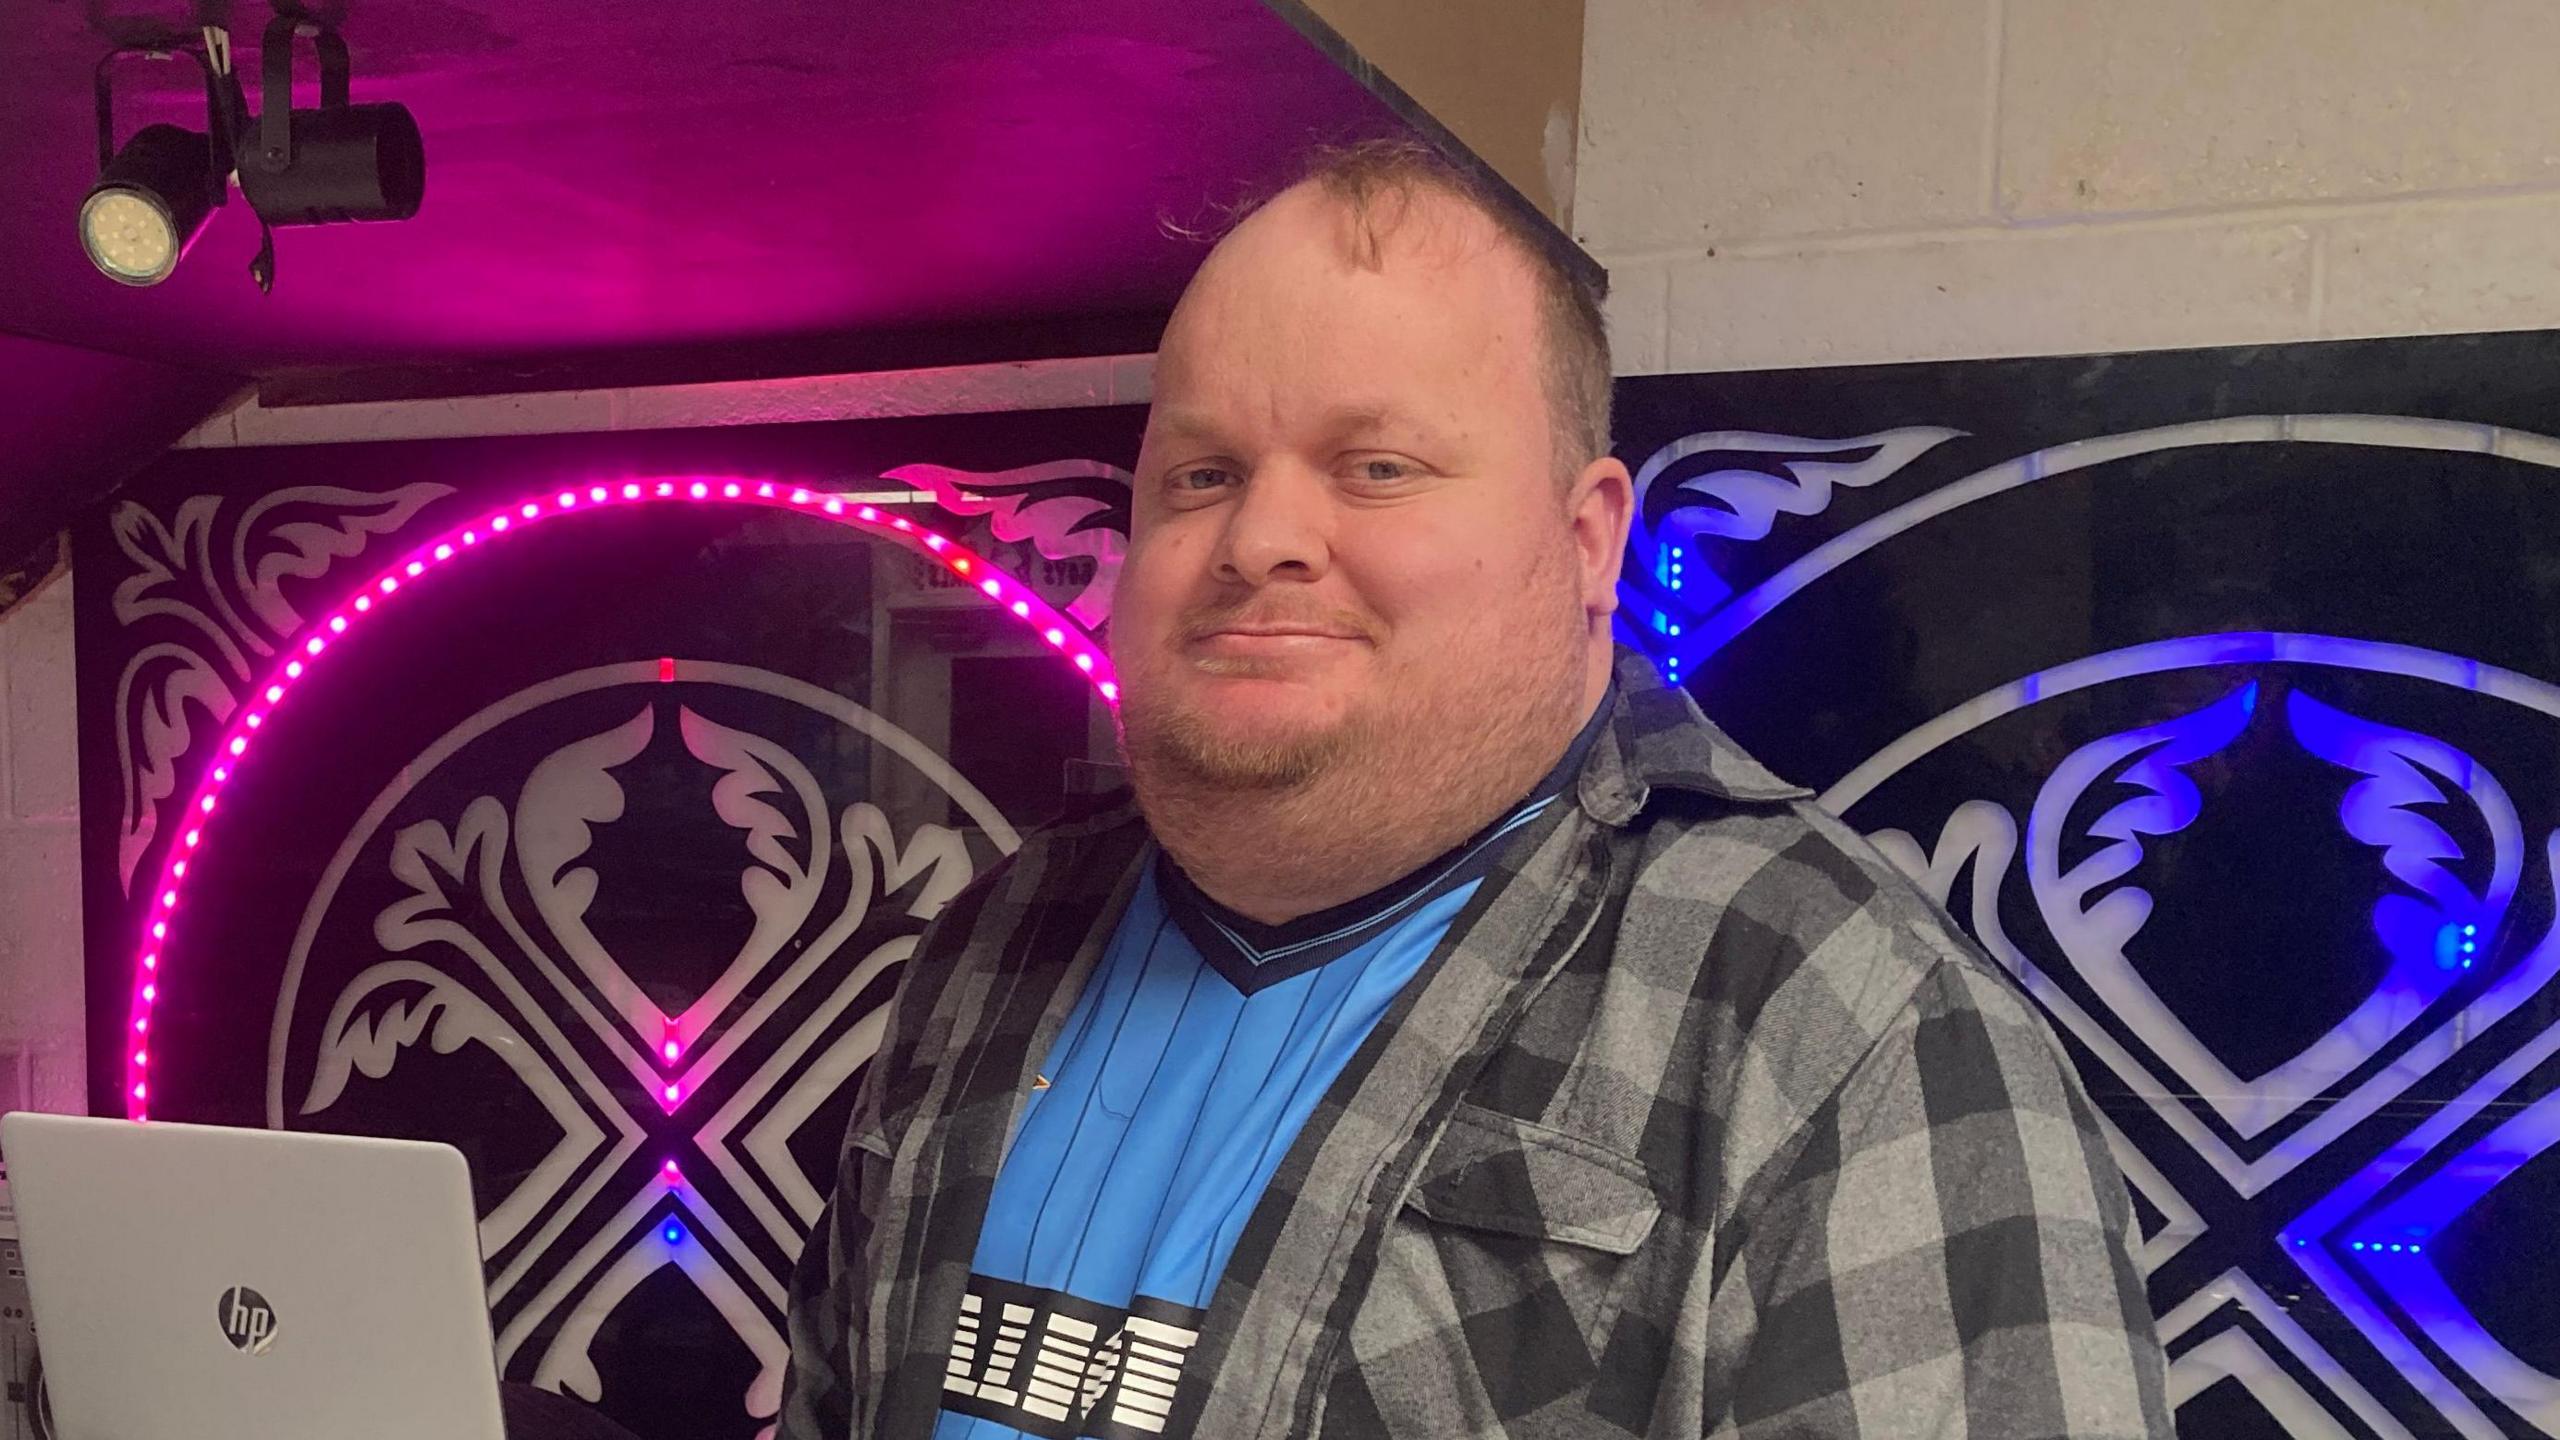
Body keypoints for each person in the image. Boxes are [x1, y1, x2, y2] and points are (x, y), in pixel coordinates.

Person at [778, 140, 2172, 1440]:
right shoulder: (993, 943)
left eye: (1375, 468)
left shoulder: (1839, 1029)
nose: (1259, 537)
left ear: (1587, 540)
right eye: (1200, 474)